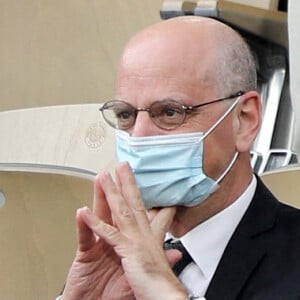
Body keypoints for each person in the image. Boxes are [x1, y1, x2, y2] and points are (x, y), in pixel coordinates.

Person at [58, 16, 300, 300]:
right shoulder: (109, 262)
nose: (139, 136)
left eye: (170, 112)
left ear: (244, 120)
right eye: (126, 115)